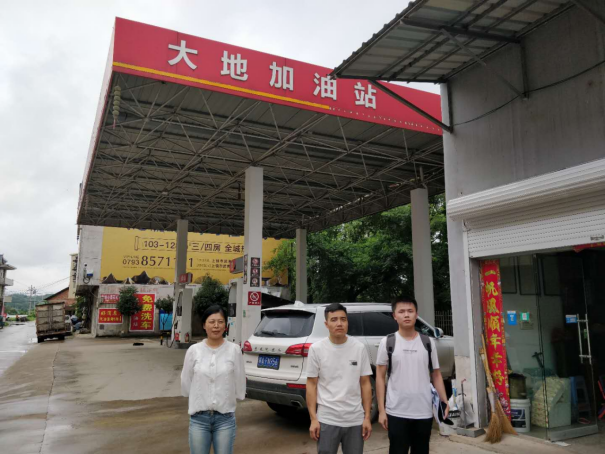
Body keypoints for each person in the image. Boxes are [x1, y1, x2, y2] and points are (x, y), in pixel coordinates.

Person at [376, 296, 449, 454]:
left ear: (416, 314)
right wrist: (381, 410)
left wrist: (444, 401)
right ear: (394, 316)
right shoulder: (387, 342)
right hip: (396, 411)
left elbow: (436, 374)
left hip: (423, 411)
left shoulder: (428, 342)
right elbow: (380, 377)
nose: (406, 315)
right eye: (401, 311)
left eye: (410, 311)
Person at [306, 303, 373, 454]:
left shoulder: (359, 348)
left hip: (355, 419)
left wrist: (367, 417)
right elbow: (311, 384)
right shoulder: (316, 349)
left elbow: (365, 384)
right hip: (327, 419)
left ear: (347, 322)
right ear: (326, 324)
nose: (339, 323)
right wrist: (313, 419)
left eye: (343, 319)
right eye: (334, 319)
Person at [181, 305, 245, 454]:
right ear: (204, 325)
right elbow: (186, 380)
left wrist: (236, 395)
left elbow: (239, 378)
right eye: (211, 322)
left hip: (225, 418)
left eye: (220, 322)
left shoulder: (234, 350)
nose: (216, 326)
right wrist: (196, 396)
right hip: (199, 419)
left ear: (225, 325)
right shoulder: (194, 350)